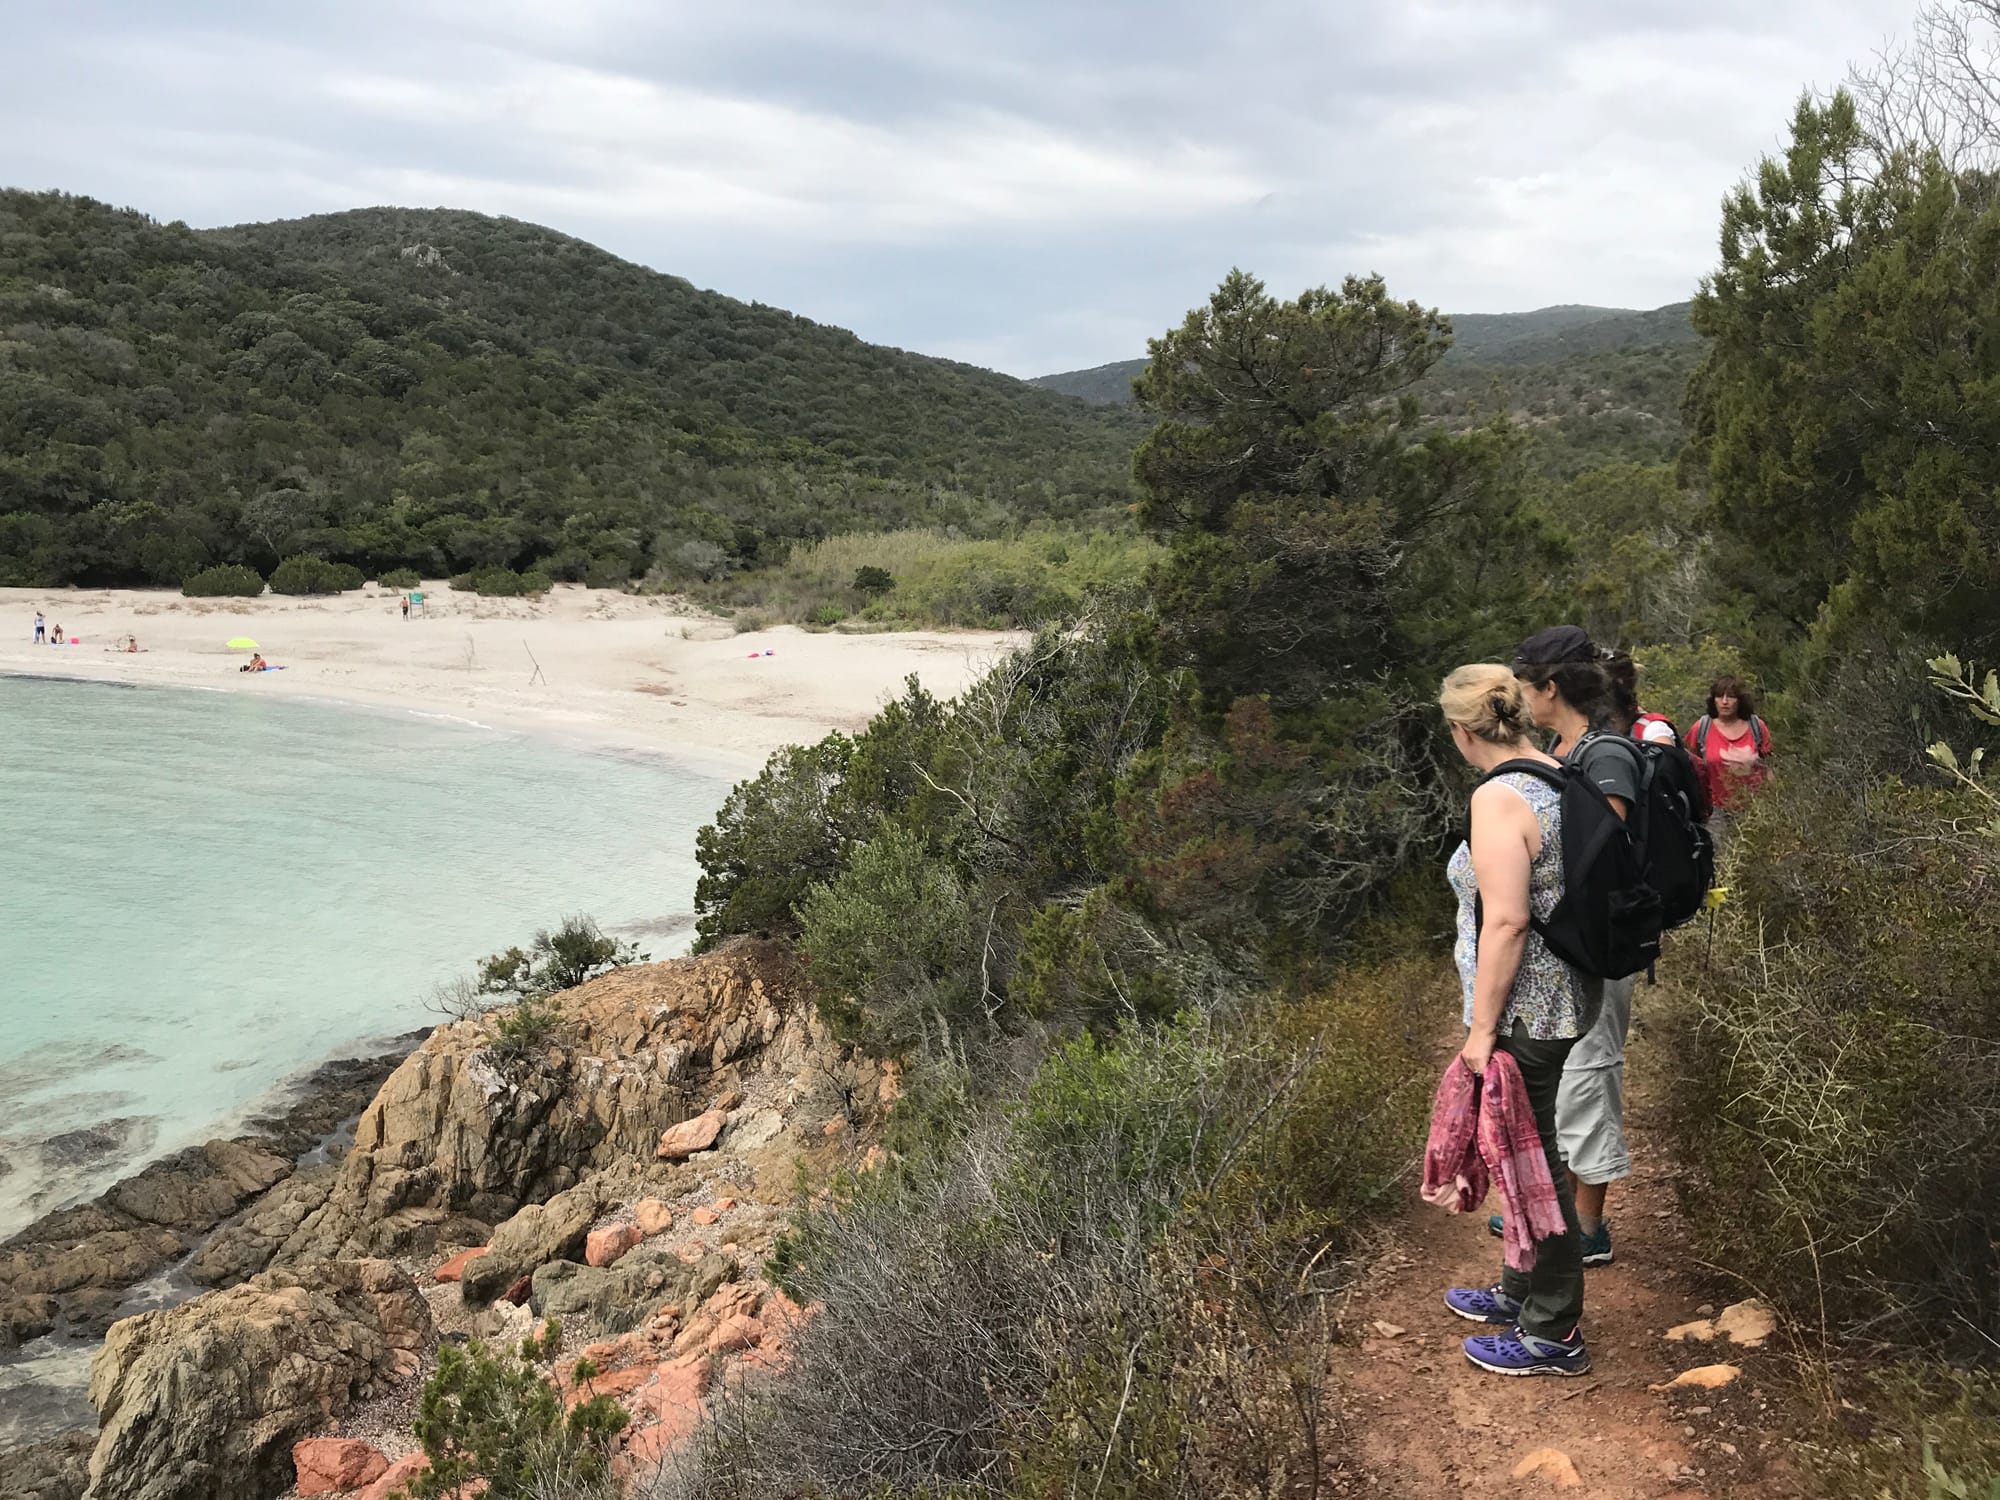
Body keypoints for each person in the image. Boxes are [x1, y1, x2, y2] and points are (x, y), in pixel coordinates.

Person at [1439, 663, 1599, 1377]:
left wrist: (1480, 1029)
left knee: (1534, 1165)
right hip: (1563, 992)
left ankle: (1554, 1332)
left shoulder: (1500, 799)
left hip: (1530, 1008)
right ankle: (1521, 1292)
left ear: (1463, 731)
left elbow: (1506, 919)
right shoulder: (1555, 770)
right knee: (1521, 1152)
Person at [1504, 626, 1638, 1271]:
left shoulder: (1604, 757)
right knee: (1565, 1083)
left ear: (1549, 688)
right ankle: (1561, 1208)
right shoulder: (1569, 749)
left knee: (1590, 1076)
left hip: (1598, 949)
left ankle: (1588, 1225)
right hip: (1571, 950)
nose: (1523, 698)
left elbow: (1598, 864)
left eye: (1527, 685)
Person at [1687, 675, 1772, 812]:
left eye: (1731, 697)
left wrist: (1773, 799)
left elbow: (1769, 767)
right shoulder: (1701, 728)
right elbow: (1691, 767)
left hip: (1755, 807)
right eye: (1720, 696)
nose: (1724, 702)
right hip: (1714, 810)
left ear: (1740, 700)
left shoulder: (1757, 726)